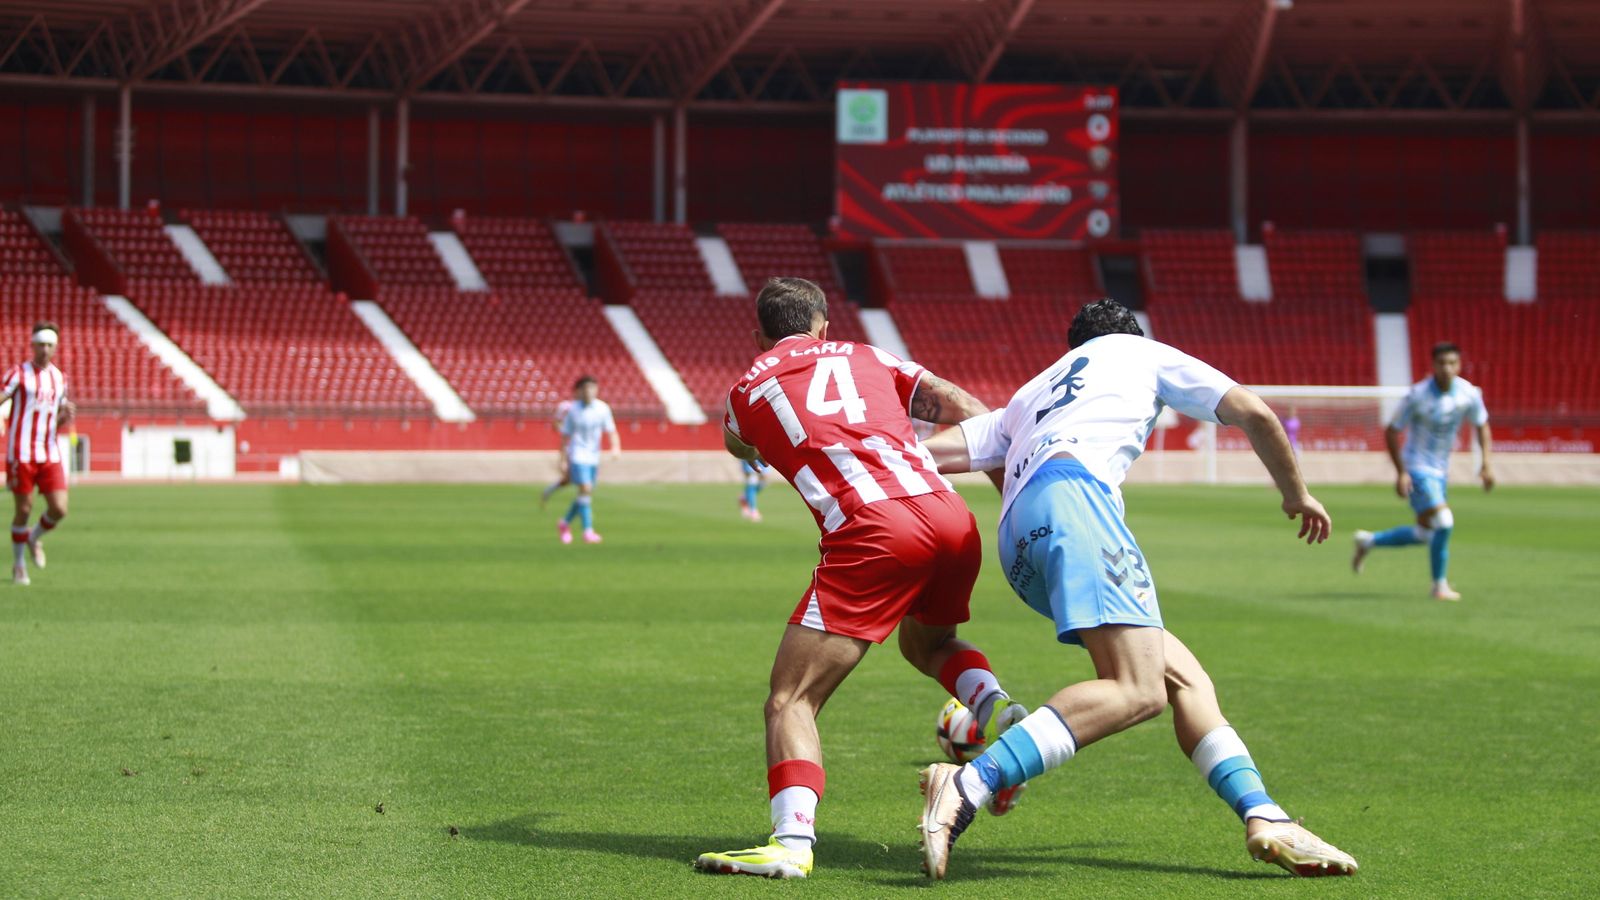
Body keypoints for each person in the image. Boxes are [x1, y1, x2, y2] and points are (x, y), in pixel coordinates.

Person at [915, 299, 1358, 880]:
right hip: (1076, 502)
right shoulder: (1138, 352)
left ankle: (1264, 816)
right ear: (1131, 334)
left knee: (1185, 679)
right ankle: (974, 780)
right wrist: (1296, 494)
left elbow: (924, 455)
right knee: (1138, 689)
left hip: (1017, 540)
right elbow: (1255, 412)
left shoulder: (1031, 394)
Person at [694, 277, 1027, 880]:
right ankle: (997, 711)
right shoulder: (869, 355)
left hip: (873, 529)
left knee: (791, 698)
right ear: (824, 325)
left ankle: (791, 842)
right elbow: (968, 408)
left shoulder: (748, 388)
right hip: (950, 515)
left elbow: (738, 445)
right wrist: (1012, 495)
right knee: (928, 644)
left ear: (760, 335)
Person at [1351, 342, 1492, 601]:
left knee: (1426, 533)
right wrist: (1401, 472)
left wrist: (1486, 465)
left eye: (1452, 363)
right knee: (1444, 522)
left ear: (1459, 365)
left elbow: (1482, 424)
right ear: (1433, 365)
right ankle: (1439, 586)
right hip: (1416, 467)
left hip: (1440, 471)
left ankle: (1369, 541)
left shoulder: (1468, 393)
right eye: (1442, 363)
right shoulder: (1417, 395)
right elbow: (1392, 430)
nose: (1447, 368)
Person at [4, 323, 74, 586]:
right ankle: (19, 564)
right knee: (23, 509)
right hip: (21, 453)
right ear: (32, 345)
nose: (45, 349)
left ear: (55, 348)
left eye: (49, 345)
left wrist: (64, 417)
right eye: (41, 344)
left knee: (60, 508)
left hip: (49, 452)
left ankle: (34, 538)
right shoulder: (18, 374)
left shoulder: (59, 378)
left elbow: (55, 420)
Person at [556, 376, 620, 545]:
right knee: (585, 488)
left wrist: (616, 448)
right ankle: (588, 531)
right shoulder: (573, 410)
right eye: (585, 388)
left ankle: (564, 523)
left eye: (592, 388)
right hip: (577, 454)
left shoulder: (602, 408)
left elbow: (611, 430)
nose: (589, 392)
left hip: (594, 456)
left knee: (585, 494)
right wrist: (562, 460)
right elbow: (565, 436)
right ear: (579, 391)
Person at [540, 395, 577, 509]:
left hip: (579, 449)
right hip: (572, 449)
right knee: (582, 482)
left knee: (569, 480)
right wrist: (562, 460)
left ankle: (548, 491)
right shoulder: (567, 407)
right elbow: (556, 424)